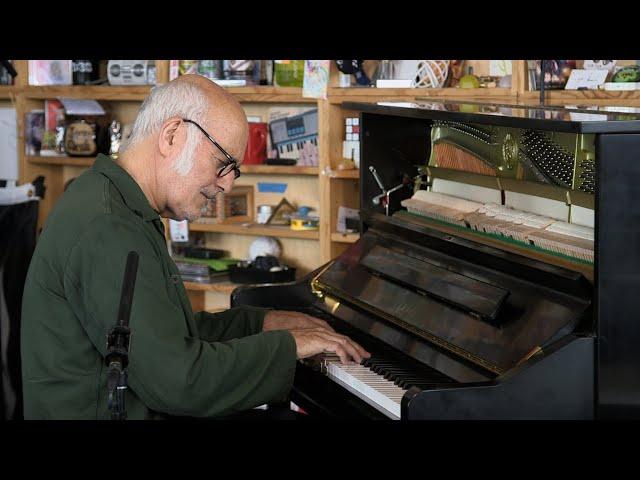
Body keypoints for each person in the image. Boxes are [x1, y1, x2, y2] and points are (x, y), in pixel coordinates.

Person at [20, 74, 369, 420]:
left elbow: (165, 336)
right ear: (172, 135)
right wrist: (288, 346)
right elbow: (179, 381)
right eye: (224, 164)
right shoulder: (109, 228)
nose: (228, 185)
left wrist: (264, 323)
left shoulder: (112, 203)